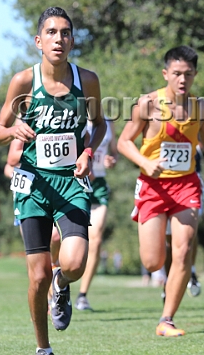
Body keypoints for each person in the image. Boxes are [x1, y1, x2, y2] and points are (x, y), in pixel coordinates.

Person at [0, 6, 106, 355]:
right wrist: (13, 129)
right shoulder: (24, 81)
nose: (59, 38)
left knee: (73, 263)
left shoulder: (87, 80)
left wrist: (88, 152)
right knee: (36, 276)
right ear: (39, 41)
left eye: (65, 32)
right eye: (52, 33)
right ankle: (43, 348)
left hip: (71, 183)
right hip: (34, 185)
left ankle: (63, 282)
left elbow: (99, 125)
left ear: (72, 41)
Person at [117, 46, 204, 337]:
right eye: (177, 74)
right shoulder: (147, 104)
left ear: (195, 75)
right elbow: (123, 142)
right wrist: (145, 162)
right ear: (166, 73)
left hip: (186, 185)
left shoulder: (201, 107)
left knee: (182, 252)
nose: (183, 79)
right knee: (153, 261)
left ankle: (166, 320)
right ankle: (167, 286)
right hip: (152, 187)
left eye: (189, 74)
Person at [75, 119, 117, 311]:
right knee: (59, 238)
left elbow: (113, 151)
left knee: (96, 239)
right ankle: (59, 284)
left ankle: (82, 295)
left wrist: (111, 160)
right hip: (75, 182)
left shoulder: (108, 122)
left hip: (98, 185)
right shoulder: (75, 115)